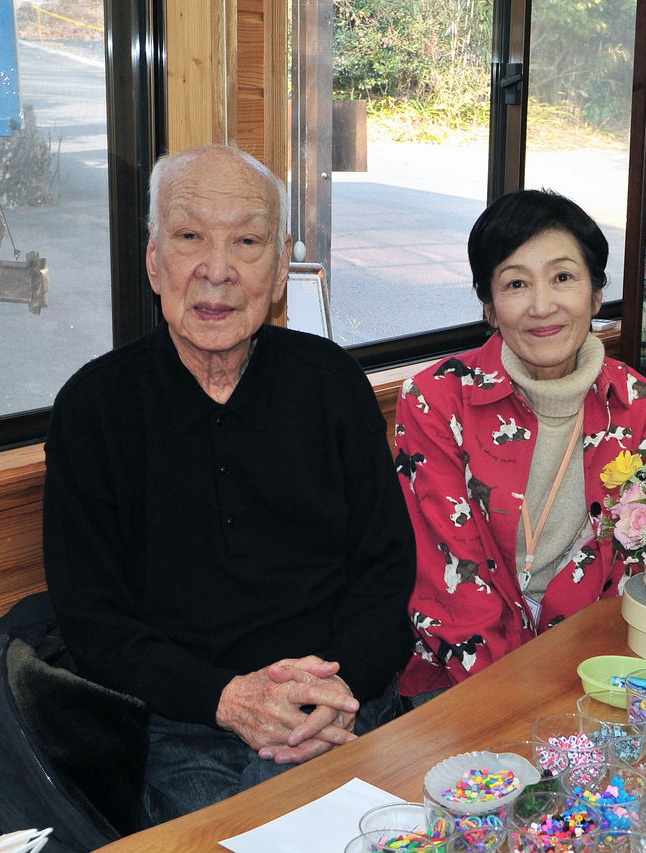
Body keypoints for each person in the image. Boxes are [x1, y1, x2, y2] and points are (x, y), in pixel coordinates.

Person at [43, 145, 416, 824]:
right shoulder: (94, 409)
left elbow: (386, 570)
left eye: (246, 240)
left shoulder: (331, 384)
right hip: (187, 724)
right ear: (154, 260)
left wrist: (331, 694)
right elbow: (93, 618)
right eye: (190, 237)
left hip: (342, 704)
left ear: (278, 271)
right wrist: (229, 698)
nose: (217, 270)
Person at [393, 189, 646, 705]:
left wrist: (589, 685)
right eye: (516, 284)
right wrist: (521, 702)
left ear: (595, 292)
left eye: (563, 277)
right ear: (490, 307)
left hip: (593, 669)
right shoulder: (436, 400)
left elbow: (627, 571)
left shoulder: (639, 404)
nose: (542, 306)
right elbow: (450, 578)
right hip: (464, 675)